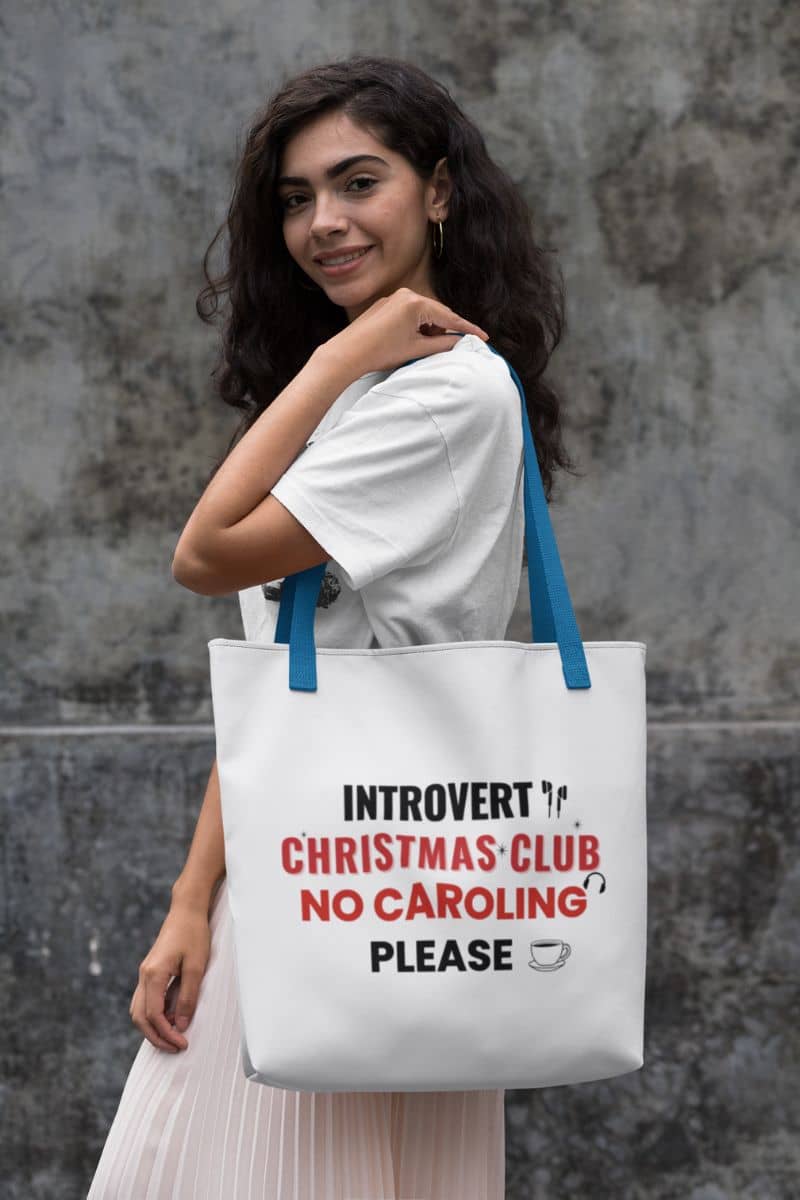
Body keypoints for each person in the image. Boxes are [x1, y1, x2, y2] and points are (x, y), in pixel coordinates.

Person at [86, 52, 577, 1199]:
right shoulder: (377, 388)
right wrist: (192, 904)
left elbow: (203, 556)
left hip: (354, 885)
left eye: (359, 183)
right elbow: (287, 679)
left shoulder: (439, 391)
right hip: (331, 874)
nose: (324, 222)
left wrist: (341, 352)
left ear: (440, 191)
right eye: (296, 198)